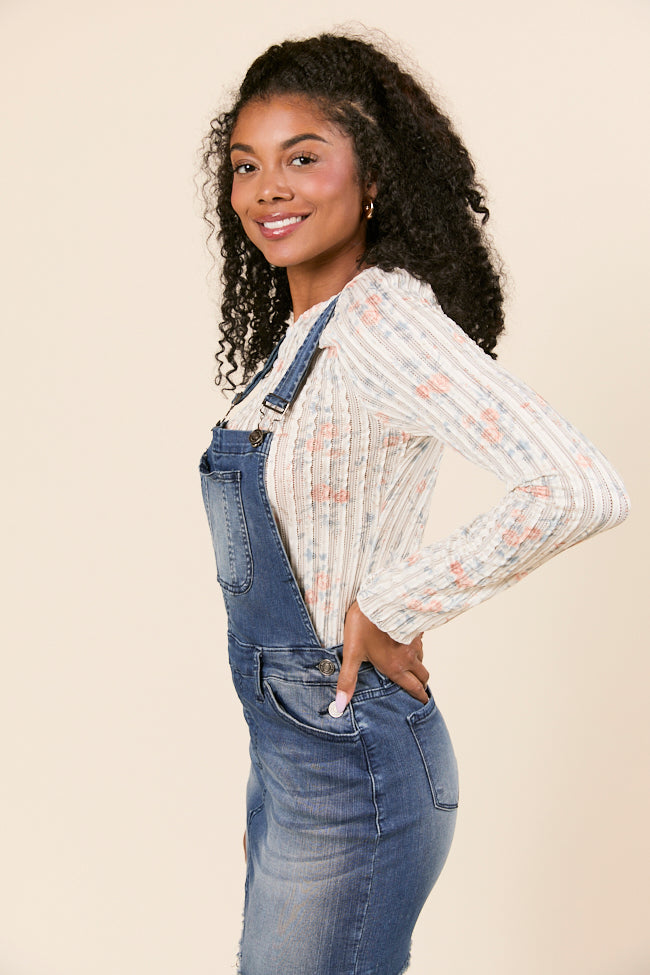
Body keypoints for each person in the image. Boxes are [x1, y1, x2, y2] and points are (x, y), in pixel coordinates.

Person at [198, 32, 629, 975]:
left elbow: (579, 485)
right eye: (246, 165)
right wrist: (270, 782)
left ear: (373, 180)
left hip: (348, 762)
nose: (267, 189)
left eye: (302, 158)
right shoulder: (306, 336)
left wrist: (395, 602)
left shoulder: (381, 318)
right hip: (293, 751)